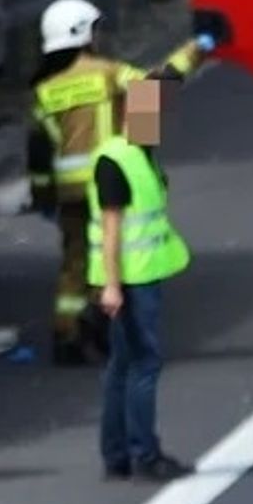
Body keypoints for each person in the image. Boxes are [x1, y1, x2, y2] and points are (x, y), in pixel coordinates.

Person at [27, 0, 213, 365]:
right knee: (111, 257)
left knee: (75, 261)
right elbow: (151, 91)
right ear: (83, 34)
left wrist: (44, 197)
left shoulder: (44, 91)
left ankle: (66, 335)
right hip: (107, 182)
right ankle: (102, 324)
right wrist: (195, 50)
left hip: (69, 192)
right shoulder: (108, 72)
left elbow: (38, 152)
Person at [89, 77, 194, 482]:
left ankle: (117, 456)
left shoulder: (139, 153)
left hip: (135, 277)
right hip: (132, 282)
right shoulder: (117, 161)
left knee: (122, 365)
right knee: (142, 365)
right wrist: (113, 285)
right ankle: (143, 454)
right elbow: (112, 229)